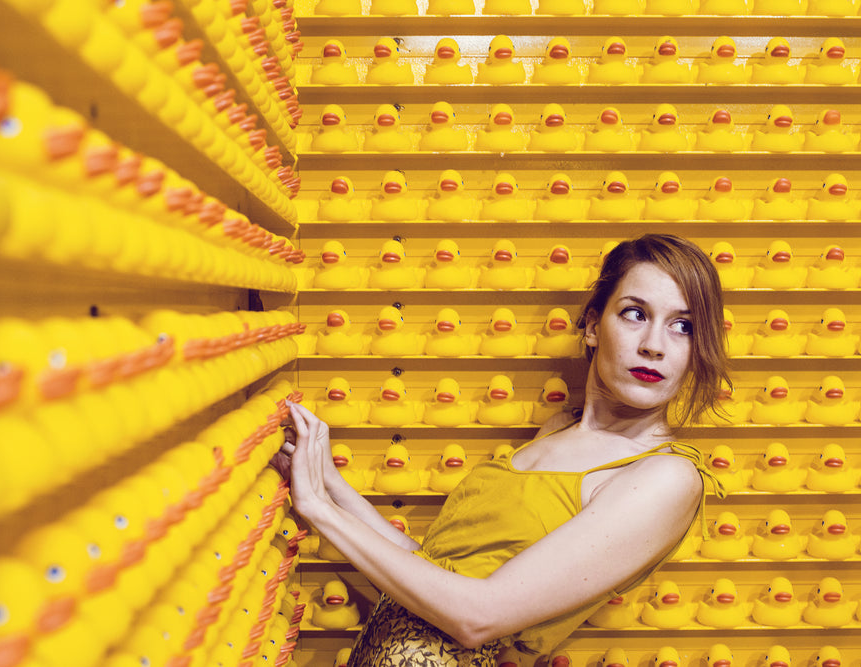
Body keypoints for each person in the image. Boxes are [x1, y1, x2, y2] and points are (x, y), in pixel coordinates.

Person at [273, 233, 730, 666]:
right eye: (635, 314)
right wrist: (329, 484)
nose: (654, 346)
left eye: (683, 326)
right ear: (592, 326)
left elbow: (478, 617)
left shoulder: (665, 477)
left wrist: (319, 509)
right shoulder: (557, 429)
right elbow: (432, 571)